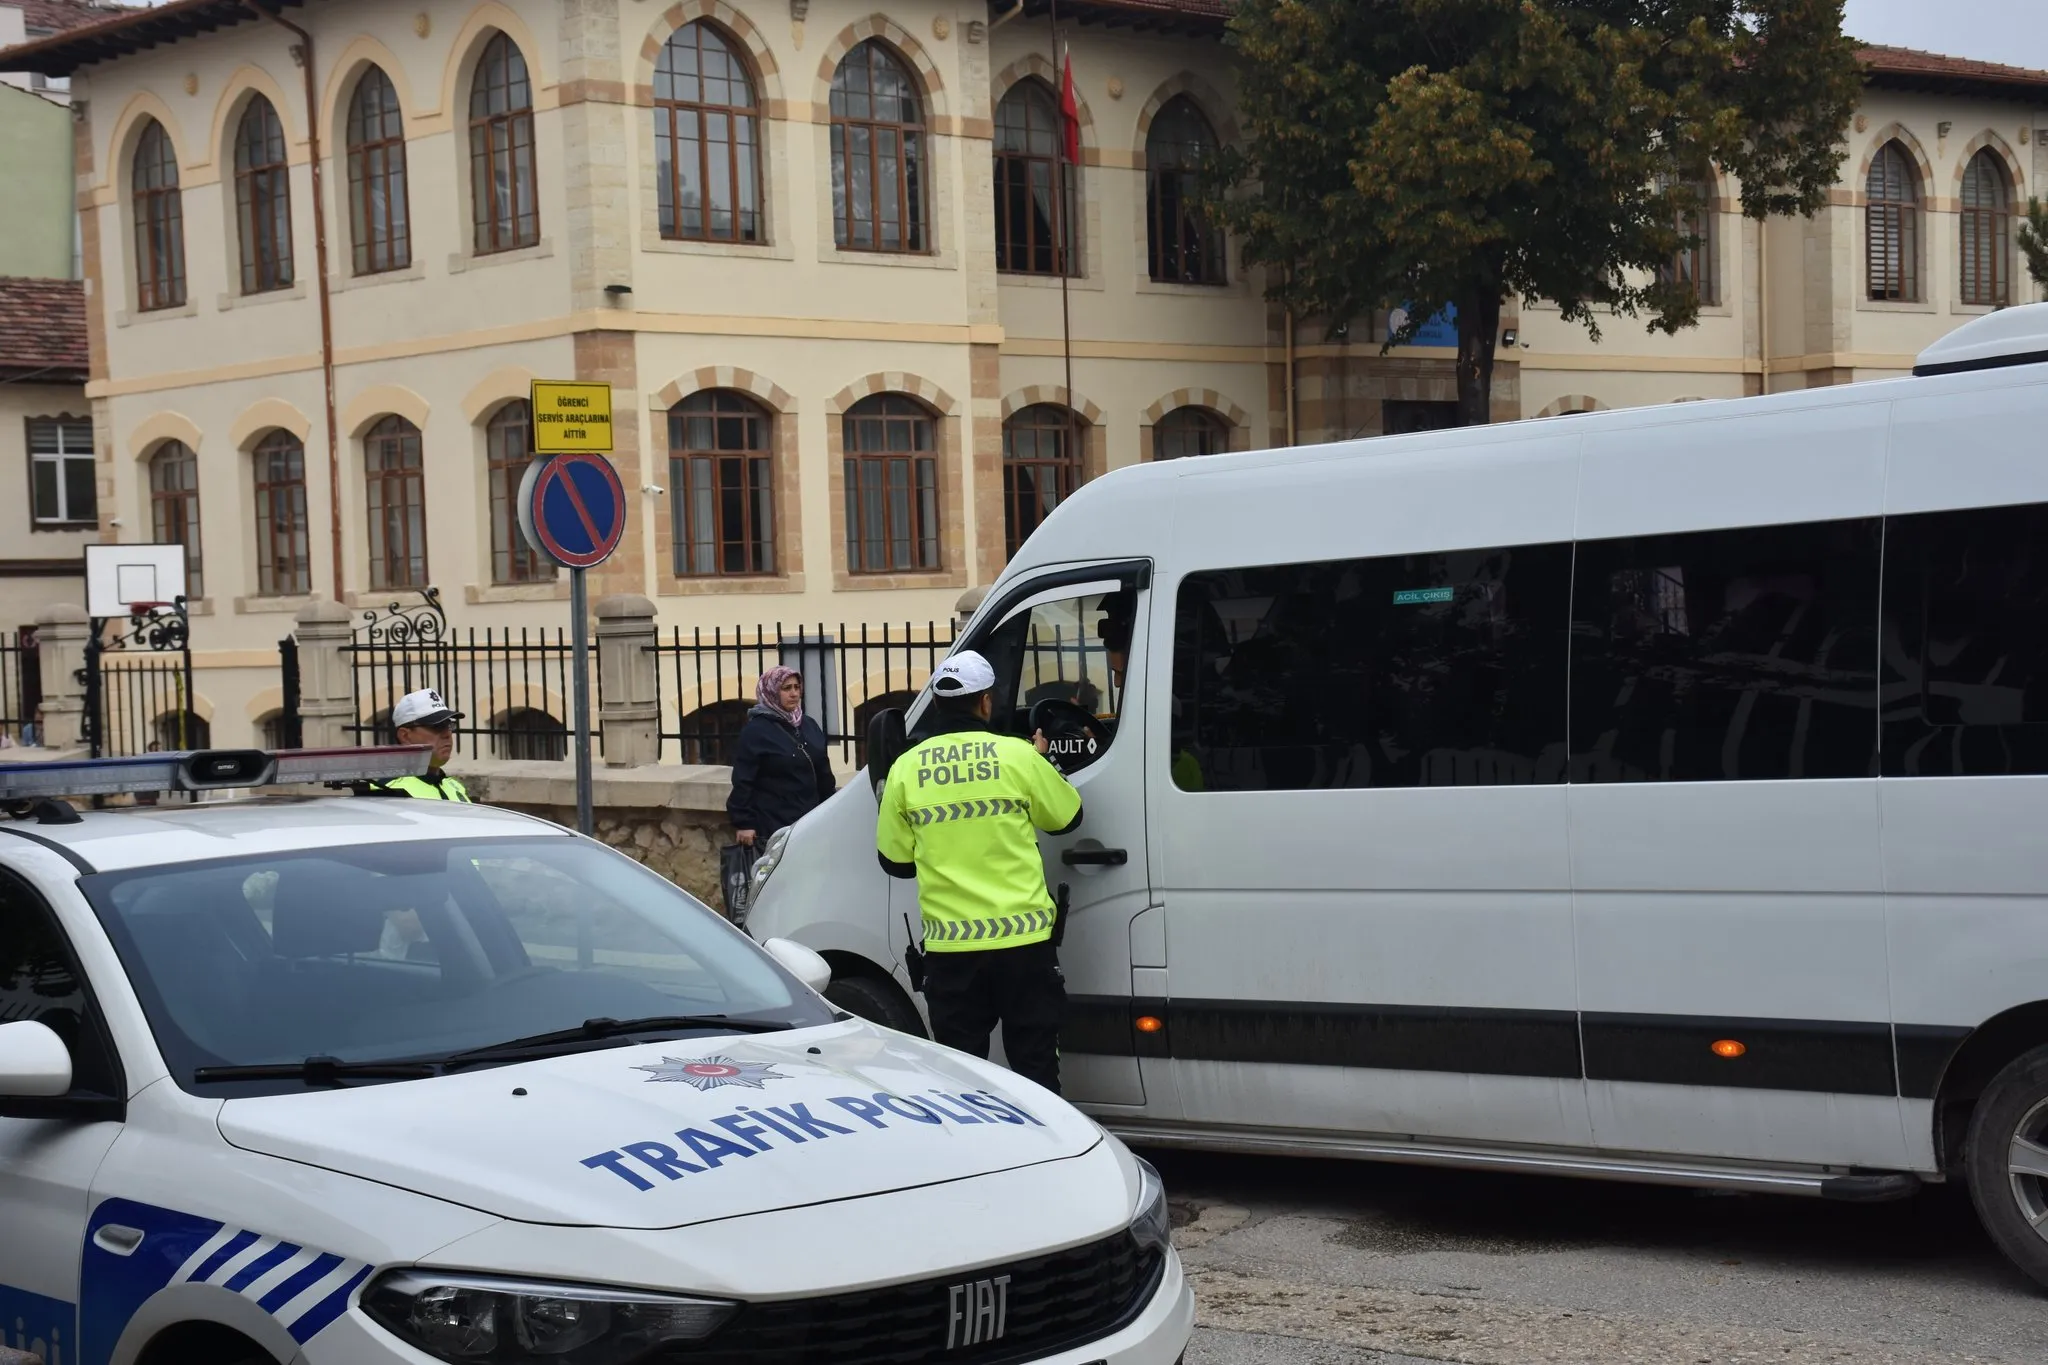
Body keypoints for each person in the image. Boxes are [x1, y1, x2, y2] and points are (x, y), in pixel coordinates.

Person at [876, 650, 1081, 1093]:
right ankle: (1048, 1156)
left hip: (952, 952)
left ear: (937, 703)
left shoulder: (906, 769)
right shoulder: (1017, 757)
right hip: (1024, 944)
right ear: (986, 702)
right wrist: (1043, 761)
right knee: (1038, 1067)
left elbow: (894, 862)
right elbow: (1068, 818)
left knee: (963, 1081)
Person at [727, 666, 835, 848]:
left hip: (812, 822)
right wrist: (744, 822)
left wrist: (831, 808)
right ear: (771, 692)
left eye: (796, 687)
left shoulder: (808, 725)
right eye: (786, 689)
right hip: (775, 827)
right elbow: (744, 780)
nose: (794, 693)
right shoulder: (756, 731)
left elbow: (823, 772)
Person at [358, 688, 472, 801]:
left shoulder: (454, 787)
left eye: (448, 725)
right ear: (405, 736)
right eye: (437, 726)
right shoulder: (387, 793)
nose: (447, 734)